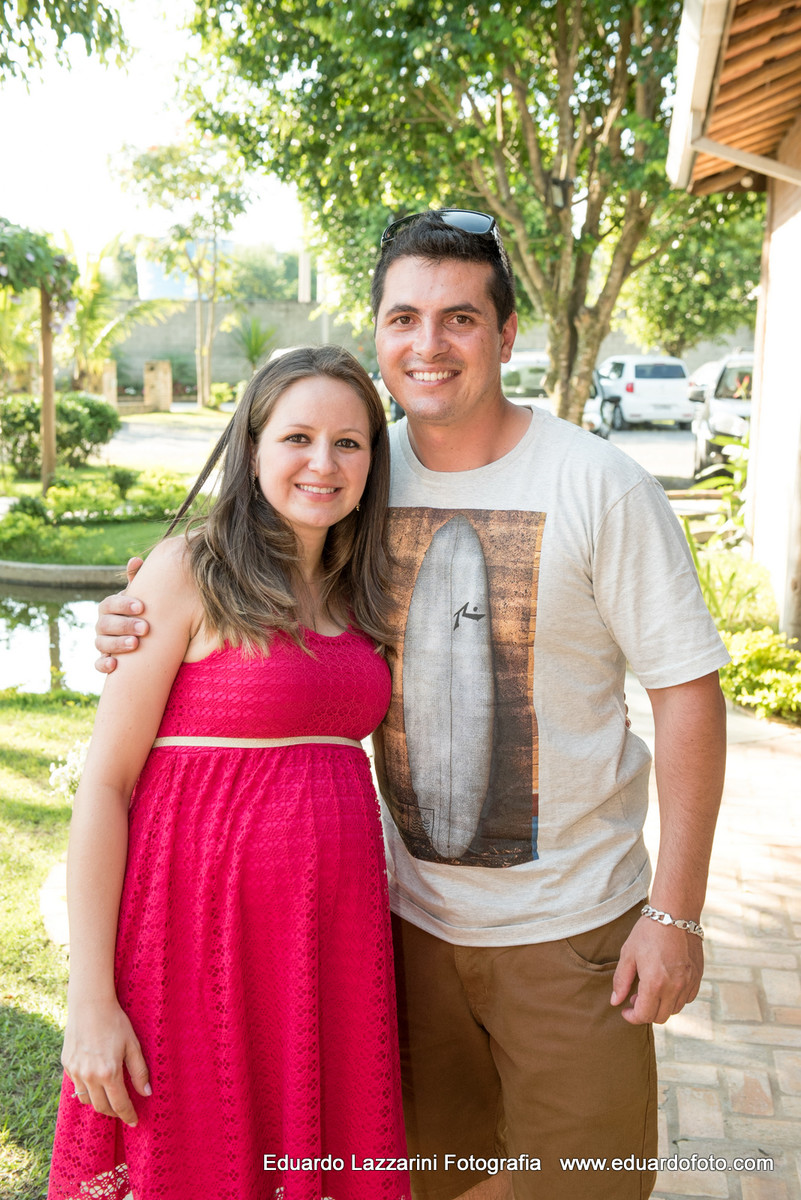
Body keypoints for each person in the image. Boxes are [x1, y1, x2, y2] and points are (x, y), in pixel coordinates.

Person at [95, 211, 729, 1200]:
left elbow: (689, 693)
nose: (428, 345)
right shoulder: (356, 474)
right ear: (379, 332)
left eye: (460, 319)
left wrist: (677, 914)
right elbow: (254, 584)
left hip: (571, 935)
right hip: (398, 931)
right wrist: (142, 611)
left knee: (585, 1186)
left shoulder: (599, 484)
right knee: (430, 1186)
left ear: (506, 335)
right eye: (405, 318)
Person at [50, 346, 410, 1200]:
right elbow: (104, 786)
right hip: (192, 943)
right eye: (297, 437)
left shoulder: (363, 591)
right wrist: (89, 1000)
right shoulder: (188, 571)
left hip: (327, 951)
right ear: (251, 448)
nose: (323, 463)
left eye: (349, 443)